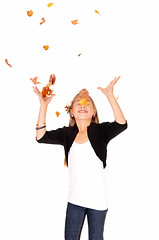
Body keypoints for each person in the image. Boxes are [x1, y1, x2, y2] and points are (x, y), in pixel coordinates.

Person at [33, 76, 128, 240]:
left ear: (93, 112)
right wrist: (43, 105)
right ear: (71, 111)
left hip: (98, 201)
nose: (83, 105)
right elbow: (41, 137)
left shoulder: (100, 131)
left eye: (88, 103)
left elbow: (121, 124)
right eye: (78, 102)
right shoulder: (67, 134)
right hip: (75, 200)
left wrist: (110, 95)